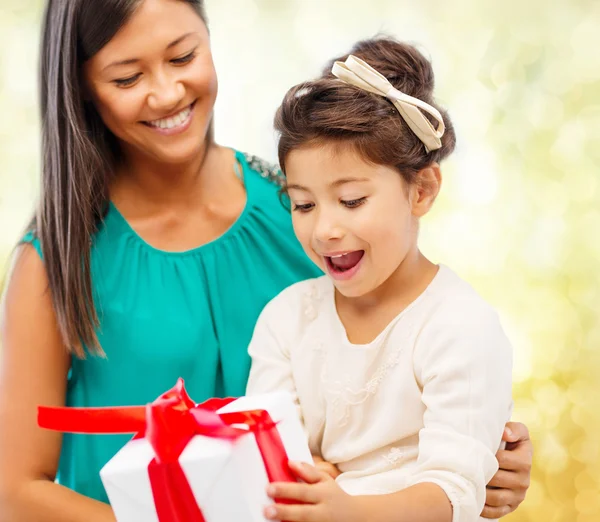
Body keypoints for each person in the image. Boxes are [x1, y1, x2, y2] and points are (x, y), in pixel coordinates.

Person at [0, 0, 531, 520]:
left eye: (183, 57)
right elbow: (16, 493)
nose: (166, 93)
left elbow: (411, 350)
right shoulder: (55, 260)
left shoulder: (300, 208)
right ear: (82, 90)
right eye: (126, 78)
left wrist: (487, 456)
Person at [245, 38, 520, 522]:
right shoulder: (287, 319)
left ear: (422, 189)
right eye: (303, 204)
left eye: (351, 200)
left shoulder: (459, 326)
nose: (324, 229)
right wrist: (302, 472)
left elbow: (454, 493)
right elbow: (266, 457)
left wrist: (346, 509)